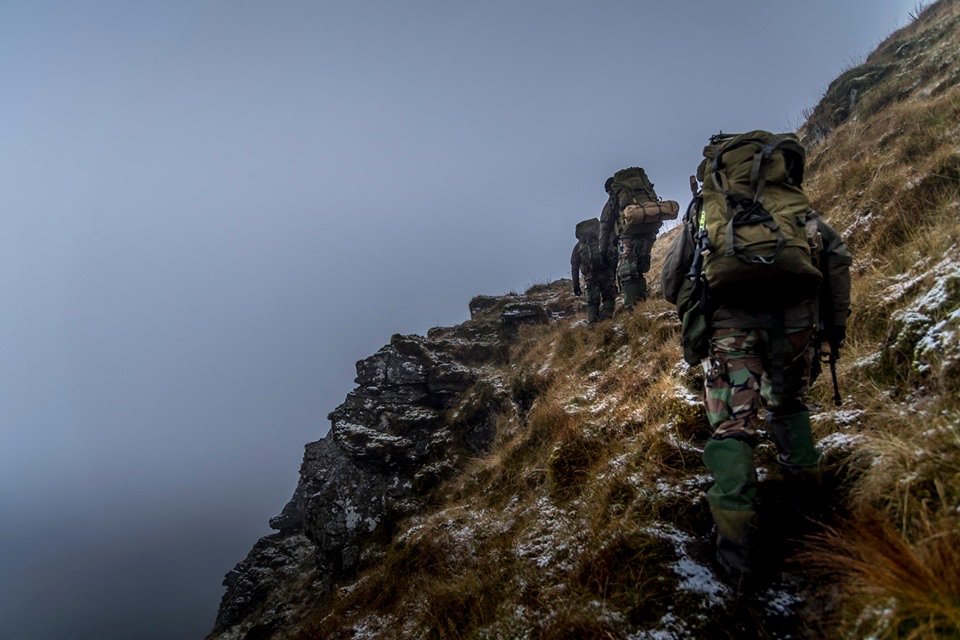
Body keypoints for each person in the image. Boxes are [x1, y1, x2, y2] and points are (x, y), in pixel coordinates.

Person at [662, 132, 852, 584]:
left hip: (731, 326)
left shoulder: (708, 211)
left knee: (732, 427)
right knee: (789, 406)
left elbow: (671, 280)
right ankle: (814, 527)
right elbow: (836, 258)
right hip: (797, 321)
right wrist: (834, 325)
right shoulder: (792, 207)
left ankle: (738, 561)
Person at [598, 169, 664, 310]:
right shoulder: (643, 191)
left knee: (627, 272)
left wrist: (602, 250)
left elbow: (604, 225)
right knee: (639, 269)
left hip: (628, 236)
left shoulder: (614, 198)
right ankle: (642, 304)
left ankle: (631, 307)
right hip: (649, 233)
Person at [571, 218, 617, 323]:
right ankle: (607, 321)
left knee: (592, 302)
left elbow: (574, 267)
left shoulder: (578, 246)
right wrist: (614, 274)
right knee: (609, 297)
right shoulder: (602, 240)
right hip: (606, 273)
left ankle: (593, 326)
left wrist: (576, 285)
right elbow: (612, 254)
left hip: (590, 277)